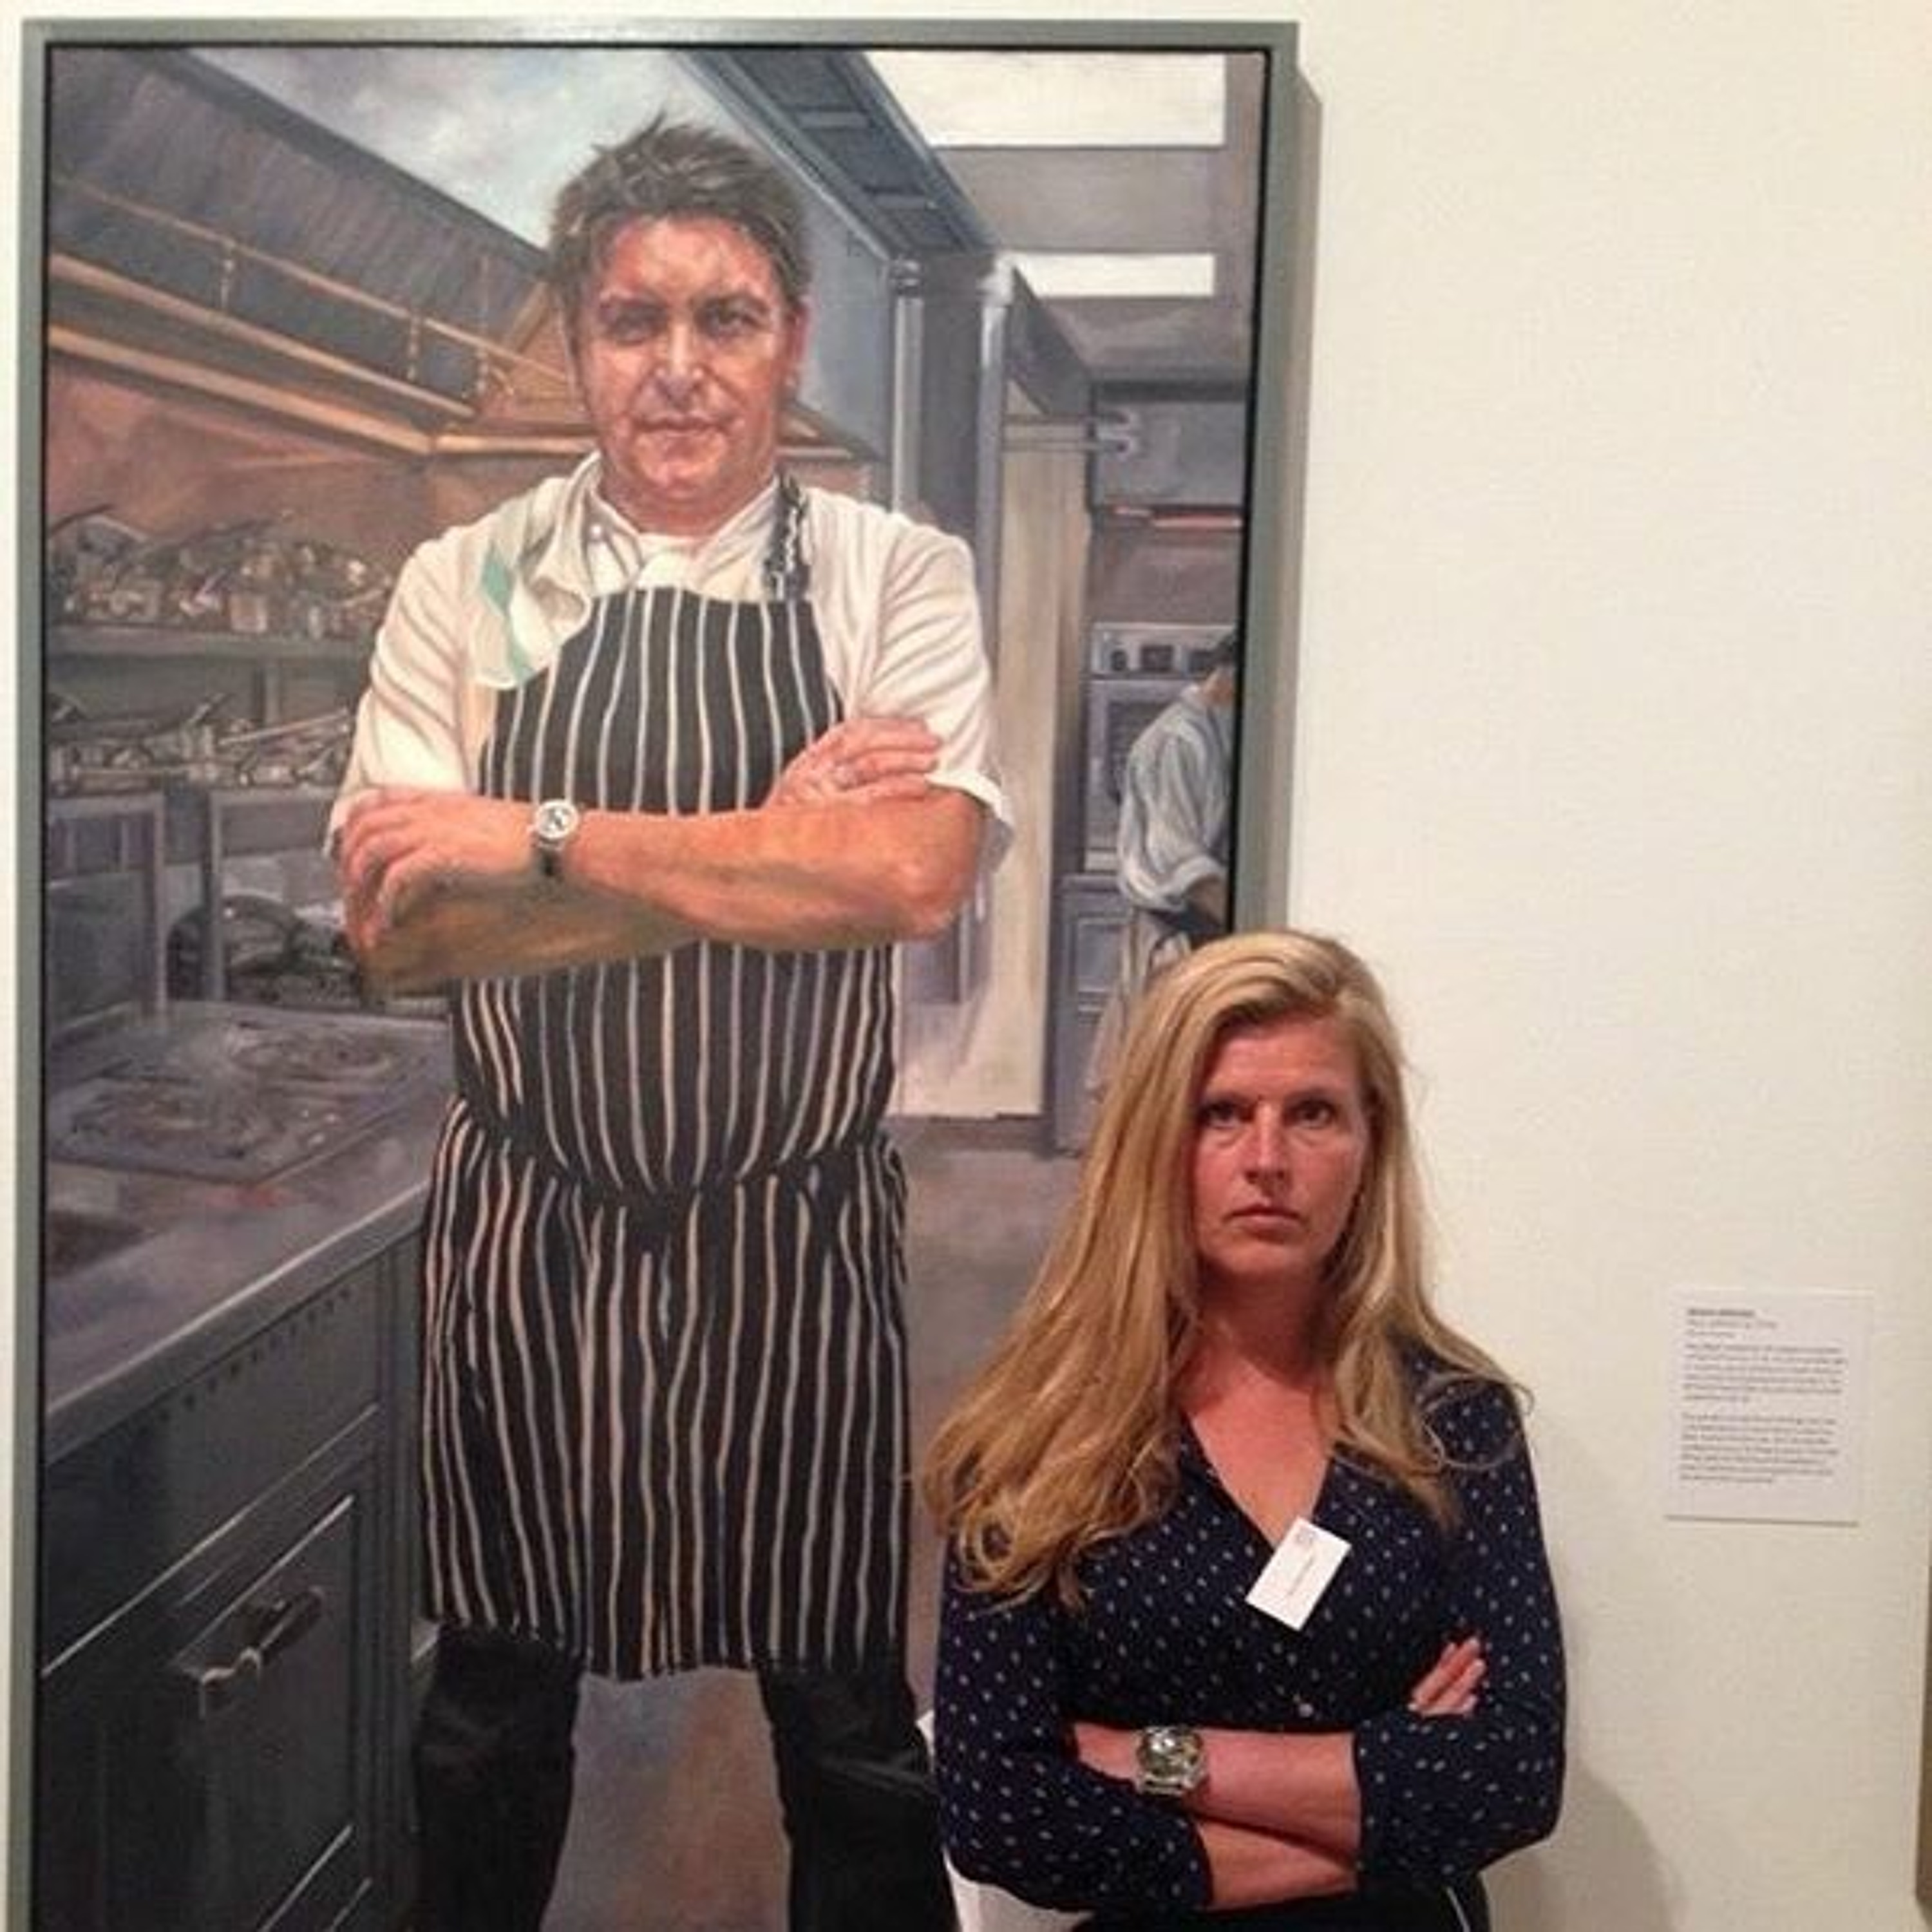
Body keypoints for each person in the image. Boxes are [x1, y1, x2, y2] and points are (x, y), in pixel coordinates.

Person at [332, 115, 1005, 1931]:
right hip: (532, 1226)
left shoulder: (892, 577)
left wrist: (537, 836)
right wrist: (768, 840)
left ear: (793, 337)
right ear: (576, 340)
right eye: (634, 322)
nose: (680, 368)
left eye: (727, 318)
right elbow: (403, 933)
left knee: (847, 1721)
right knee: (489, 1710)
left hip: (792, 1231)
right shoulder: (469, 583)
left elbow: (909, 875)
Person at [927, 931, 1563, 1929]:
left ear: (1371, 1144)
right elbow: (1002, 1812)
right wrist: (1378, 1803)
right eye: (1221, 1114)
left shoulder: (1452, 1423)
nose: (1268, 1160)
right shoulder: (1033, 1438)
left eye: (1313, 1114)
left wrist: (1154, 1757)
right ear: (1155, 1142)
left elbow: (1512, 1776)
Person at [1088, 632, 1238, 1094]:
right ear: (1230, 673)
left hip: (1198, 936)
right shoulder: (1177, 741)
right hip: (1174, 938)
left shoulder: (1215, 732)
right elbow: (1185, 868)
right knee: (1163, 1089)